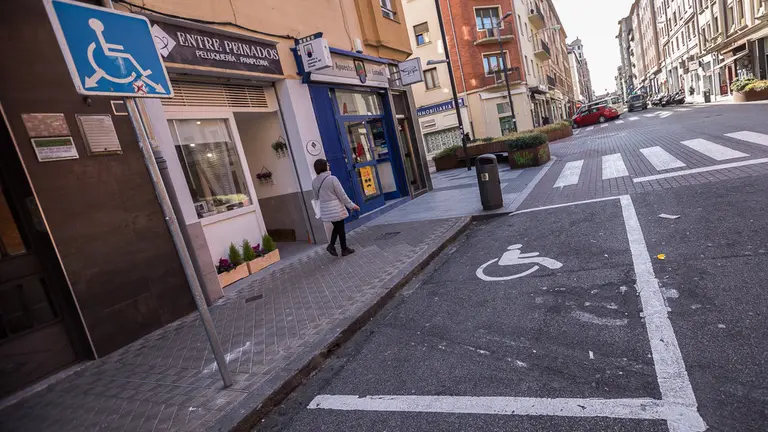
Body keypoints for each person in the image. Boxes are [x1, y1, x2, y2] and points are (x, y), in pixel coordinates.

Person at [312, 159, 360, 257]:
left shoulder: (314, 182)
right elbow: (342, 195)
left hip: (326, 209)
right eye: (327, 164)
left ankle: (332, 246)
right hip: (336, 208)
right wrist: (351, 205)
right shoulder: (332, 179)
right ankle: (343, 249)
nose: (329, 165)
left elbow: (316, 197)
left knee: (337, 227)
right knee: (340, 228)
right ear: (324, 166)